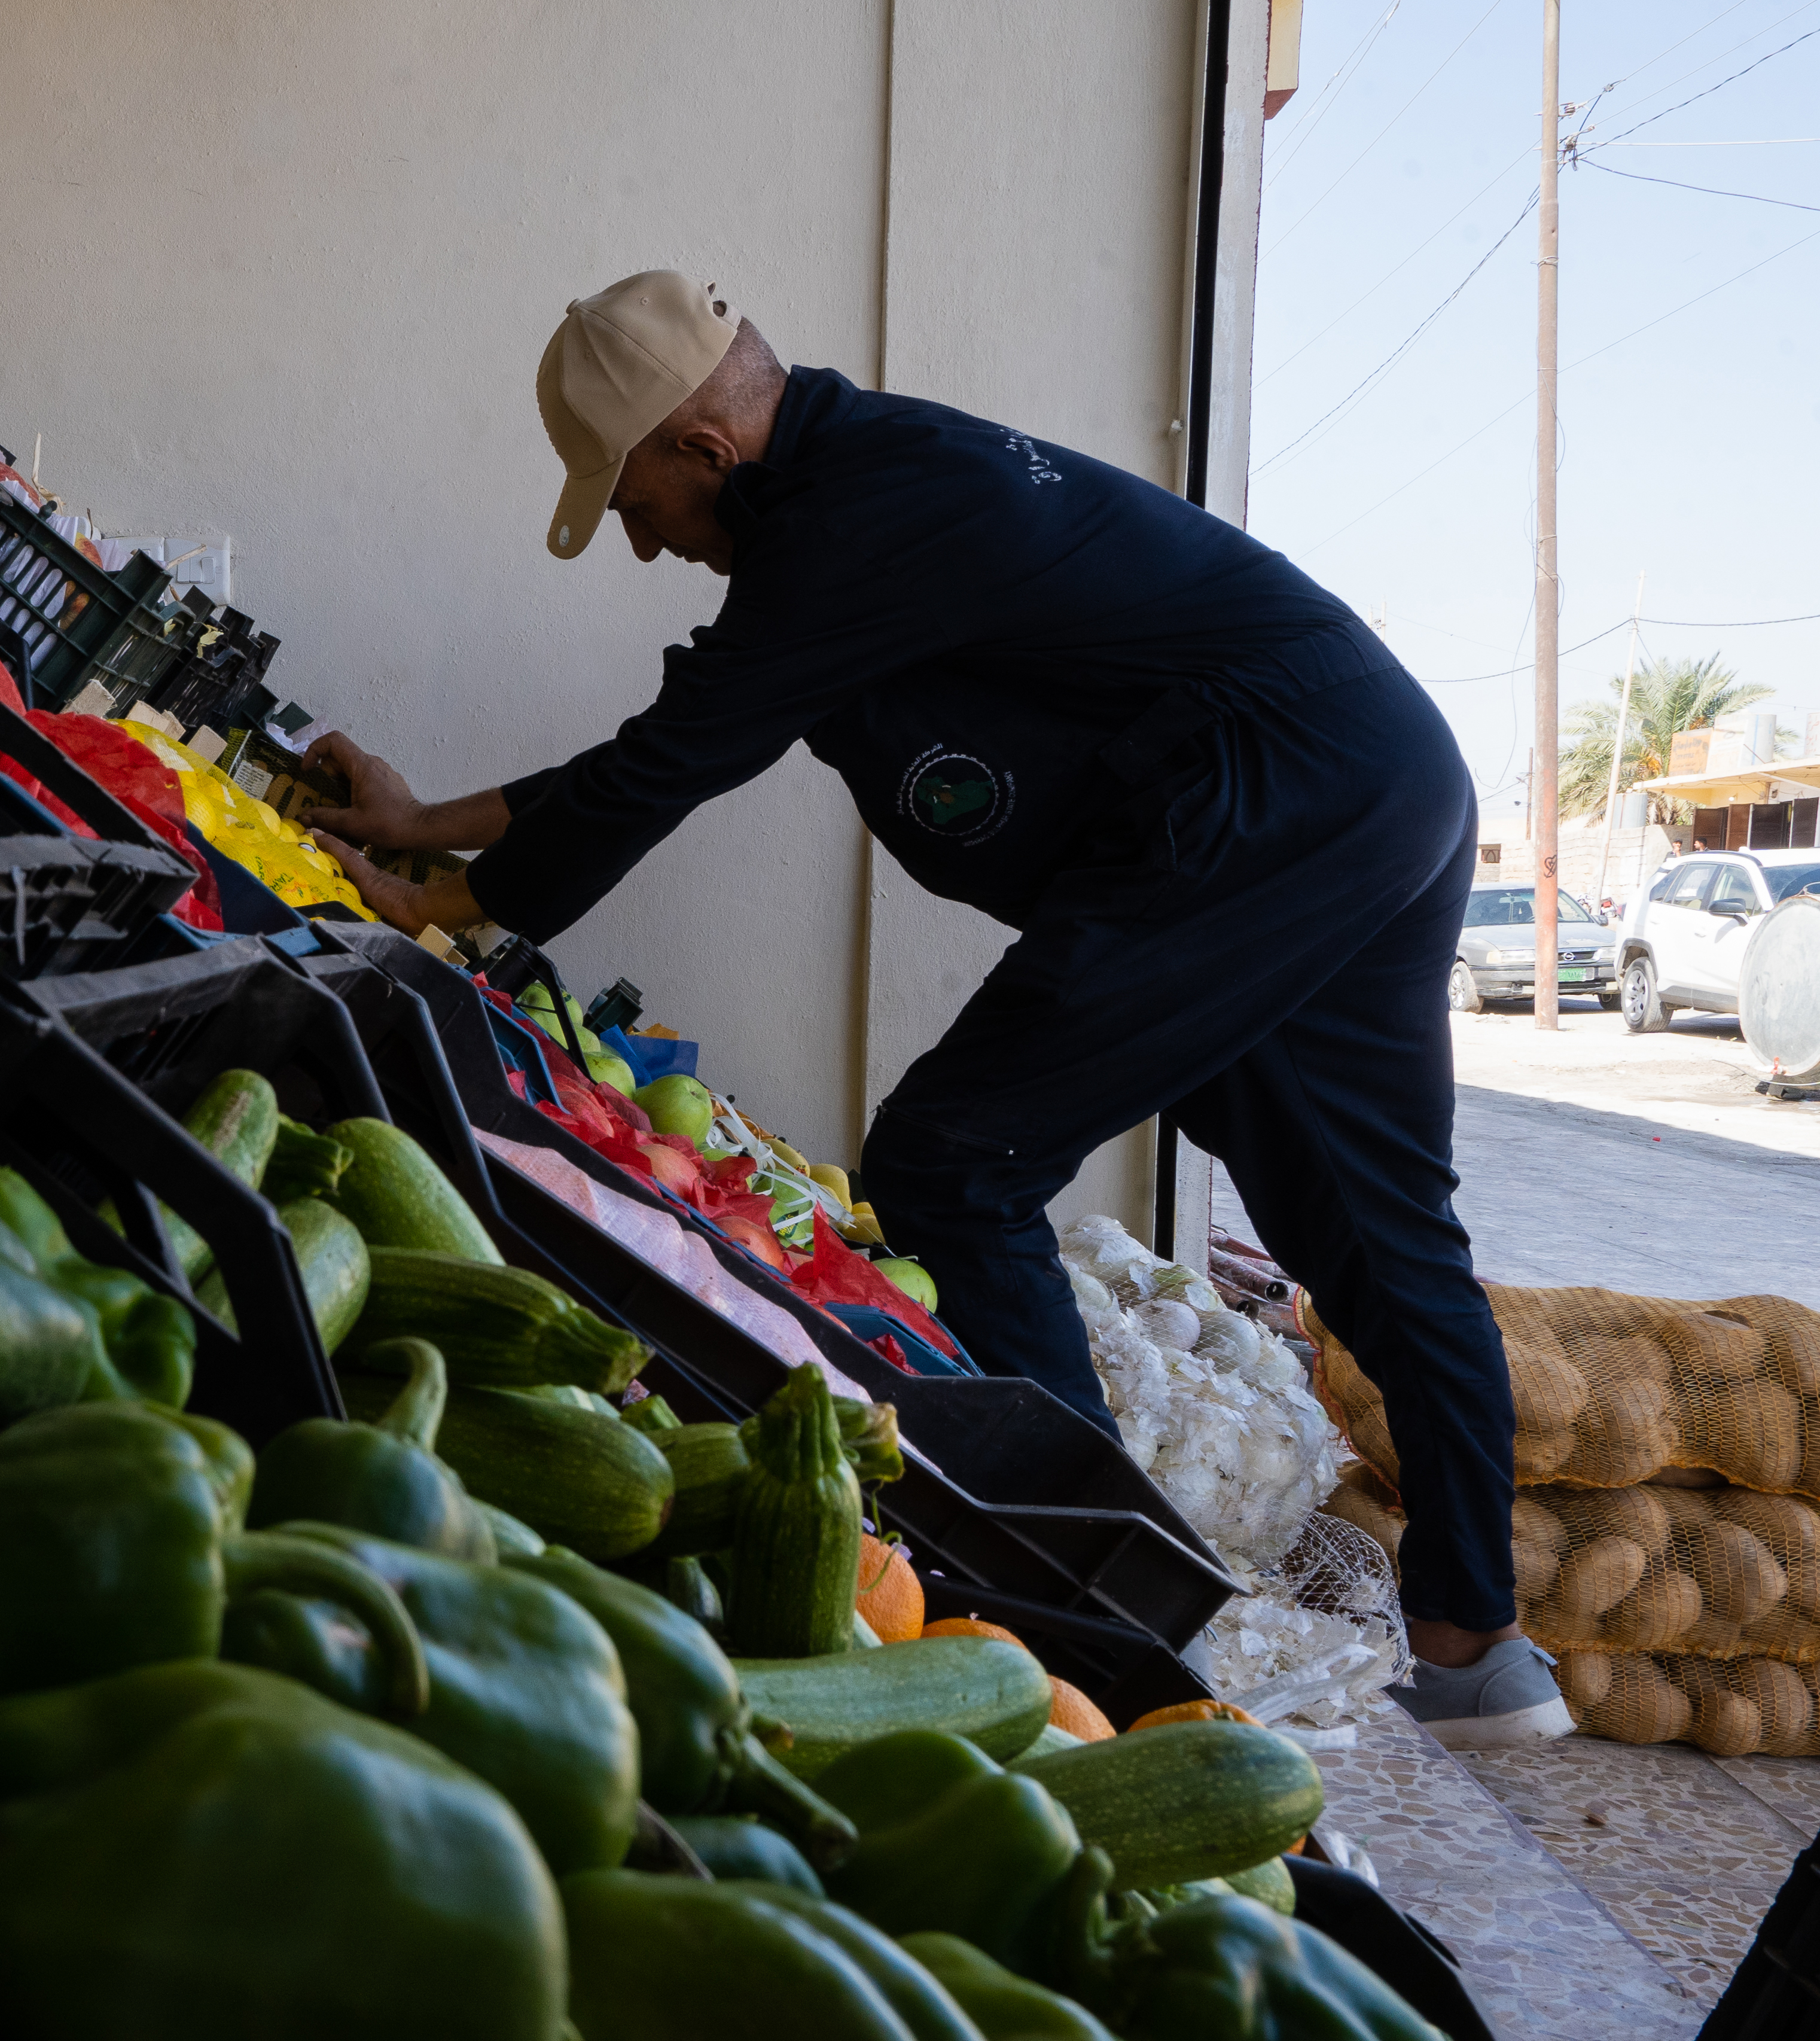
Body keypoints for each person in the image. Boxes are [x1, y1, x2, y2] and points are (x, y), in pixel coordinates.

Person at [300, 270, 1562, 1745]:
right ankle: (1480, 1648)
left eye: (632, 498)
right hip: (1376, 765)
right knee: (1372, 1224)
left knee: (955, 1158)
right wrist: (429, 818)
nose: (641, 541)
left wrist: (455, 897)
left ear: (704, 450)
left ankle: (1115, 1621)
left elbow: (675, 755)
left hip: (1270, 785)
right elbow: (686, 728)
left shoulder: (851, 517)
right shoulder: (860, 489)